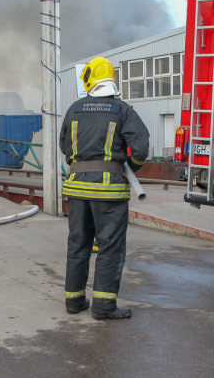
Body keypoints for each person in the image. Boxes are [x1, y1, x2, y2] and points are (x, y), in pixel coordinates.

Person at [60, 57, 149, 320]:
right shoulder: (123, 111)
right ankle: (103, 306)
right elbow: (141, 150)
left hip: (76, 189)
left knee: (78, 244)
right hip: (109, 192)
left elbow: (66, 147)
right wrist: (129, 164)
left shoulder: (74, 109)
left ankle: (74, 301)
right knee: (109, 247)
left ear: (89, 79)